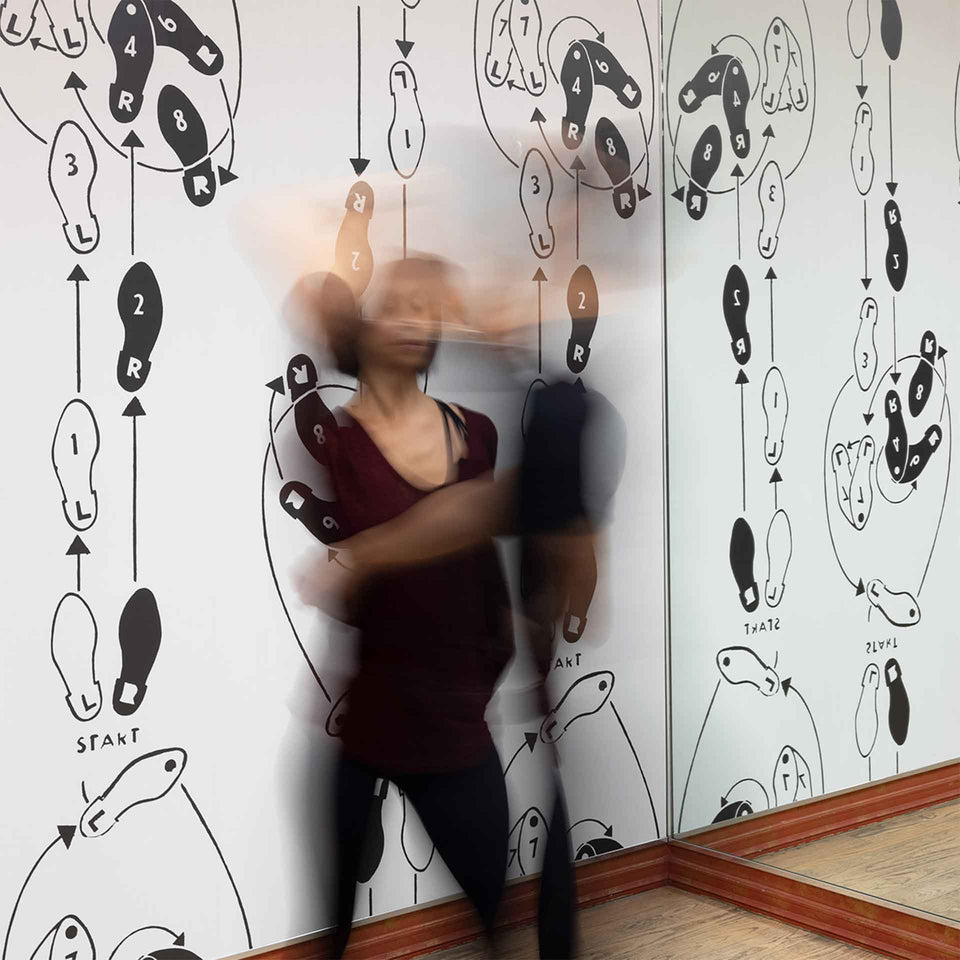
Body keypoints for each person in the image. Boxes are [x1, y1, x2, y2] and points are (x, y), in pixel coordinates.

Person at [286, 258, 516, 957]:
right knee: (332, 928)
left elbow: (475, 552)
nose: (418, 320)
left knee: (496, 918)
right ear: (368, 324)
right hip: (368, 716)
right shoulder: (335, 441)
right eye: (401, 306)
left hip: (453, 719)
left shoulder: (476, 433)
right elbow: (311, 291)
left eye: (429, 308)